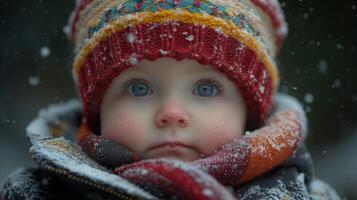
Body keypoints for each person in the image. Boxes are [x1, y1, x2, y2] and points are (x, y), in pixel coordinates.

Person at [1, 0, 341, 199]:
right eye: (138, 88)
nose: (172, 113)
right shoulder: (42, 193)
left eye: (205, 89)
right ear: (98, 110)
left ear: (250, 114)